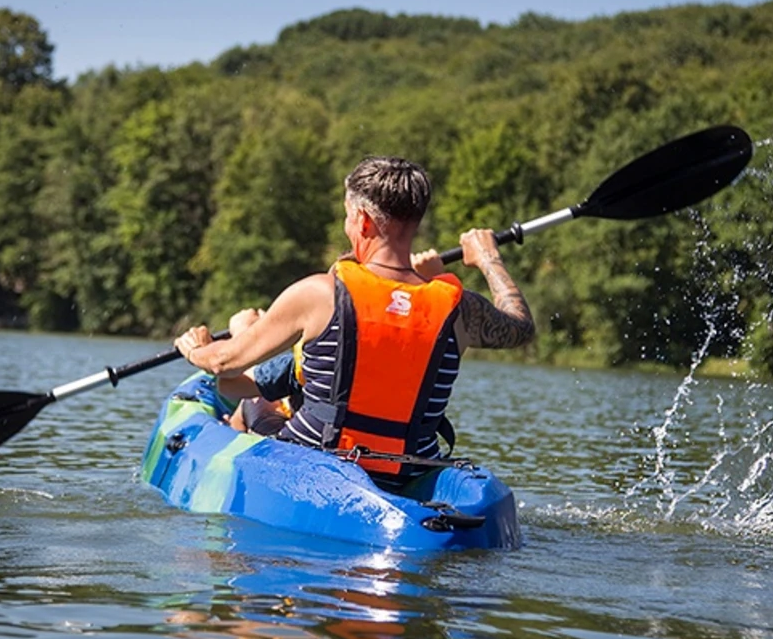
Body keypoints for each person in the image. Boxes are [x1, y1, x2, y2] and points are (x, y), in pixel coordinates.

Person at [174, 156, 534, 491]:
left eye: (347, 216)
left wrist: (196, 349)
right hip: (408, 469)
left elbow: (223, 363)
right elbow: (521, 326)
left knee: (255, 404)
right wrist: (488, 259)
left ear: (362, 220)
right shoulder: (460, 309)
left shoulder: (319, 293)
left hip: (314, 461)